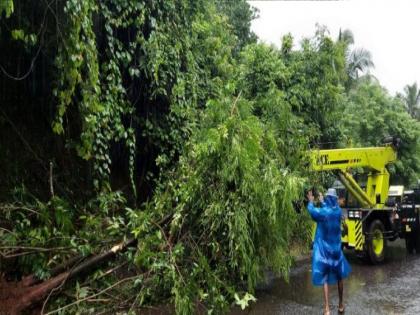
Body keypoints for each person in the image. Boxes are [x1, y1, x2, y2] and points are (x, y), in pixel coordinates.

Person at [307, 188, 351, 315]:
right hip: (336, 250)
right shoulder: (338, 212)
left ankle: (327, 309)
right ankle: (341, 305)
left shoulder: (322, 213)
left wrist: (311, 201)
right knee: (339, 276)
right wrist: (323, 202)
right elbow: (330, 209)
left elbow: (313, 212)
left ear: (328, 198)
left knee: (325, 278)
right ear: (335, 198)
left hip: (324, 251)